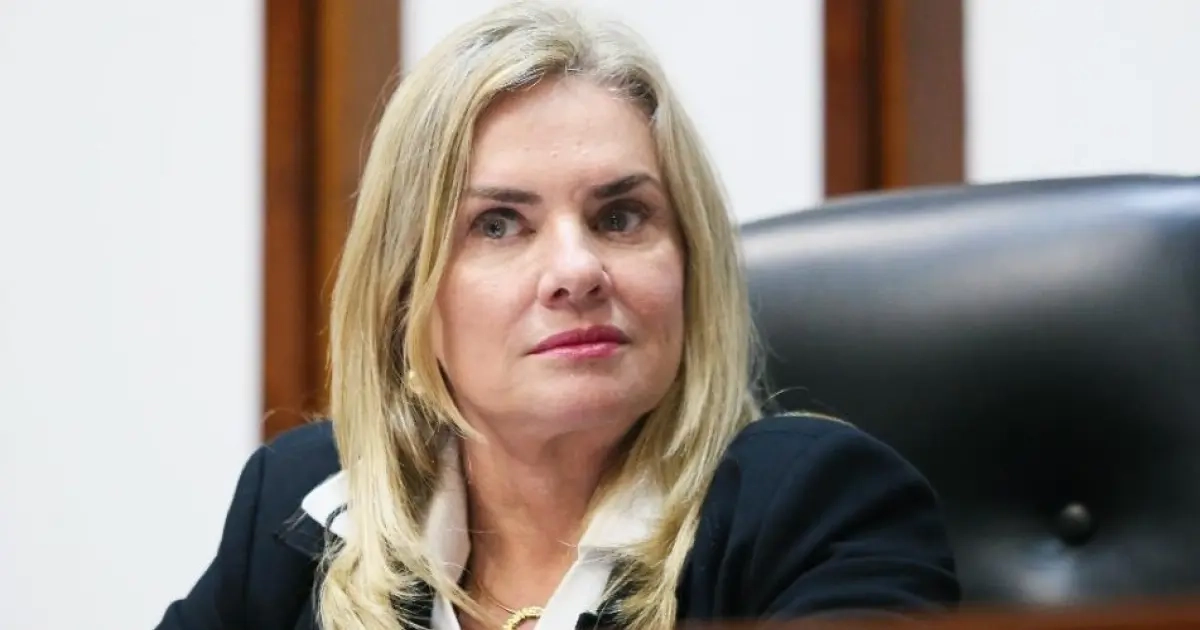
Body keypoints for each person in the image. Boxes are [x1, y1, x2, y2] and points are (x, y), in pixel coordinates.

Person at [156, 2, 959, 629]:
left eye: (620, 217)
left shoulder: (819, 509)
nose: (576, 271)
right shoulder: (306, 505)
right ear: (407, 294)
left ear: (691, 264)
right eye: (498, 225)